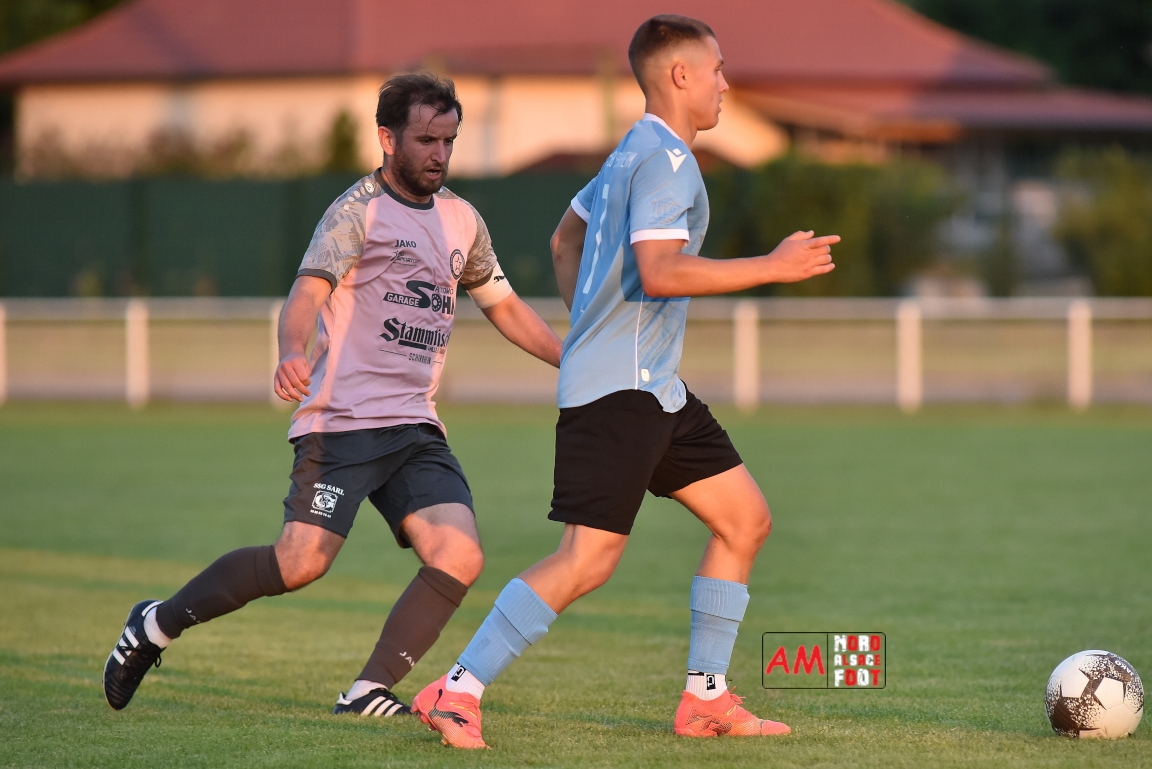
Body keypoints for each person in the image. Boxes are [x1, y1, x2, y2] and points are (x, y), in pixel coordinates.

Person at [411, 15, 839, 748]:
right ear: (680, 75)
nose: (725, 83)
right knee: (587, 558)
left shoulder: (627, 153)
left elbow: (564, 238)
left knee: (744, 520)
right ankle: (458, 689)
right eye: (717, 69)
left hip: (654, 387)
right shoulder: (667, 160)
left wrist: (589, 331)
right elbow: (660, 271)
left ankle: (705, 698)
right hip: (621, 393)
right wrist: (771, 266)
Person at [102, 73, 563, 718]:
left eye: (449, 141)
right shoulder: (358, 213)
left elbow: (505, 306)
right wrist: (292, 350)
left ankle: (367, 690)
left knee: (459, 554)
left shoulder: (463, 220)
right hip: (342, 424)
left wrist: (572, 362)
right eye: (426, 140)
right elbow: (307, 292)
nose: (439, 154)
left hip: (414, 426)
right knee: (300, 563)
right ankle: (154, 625)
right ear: (387, 138)